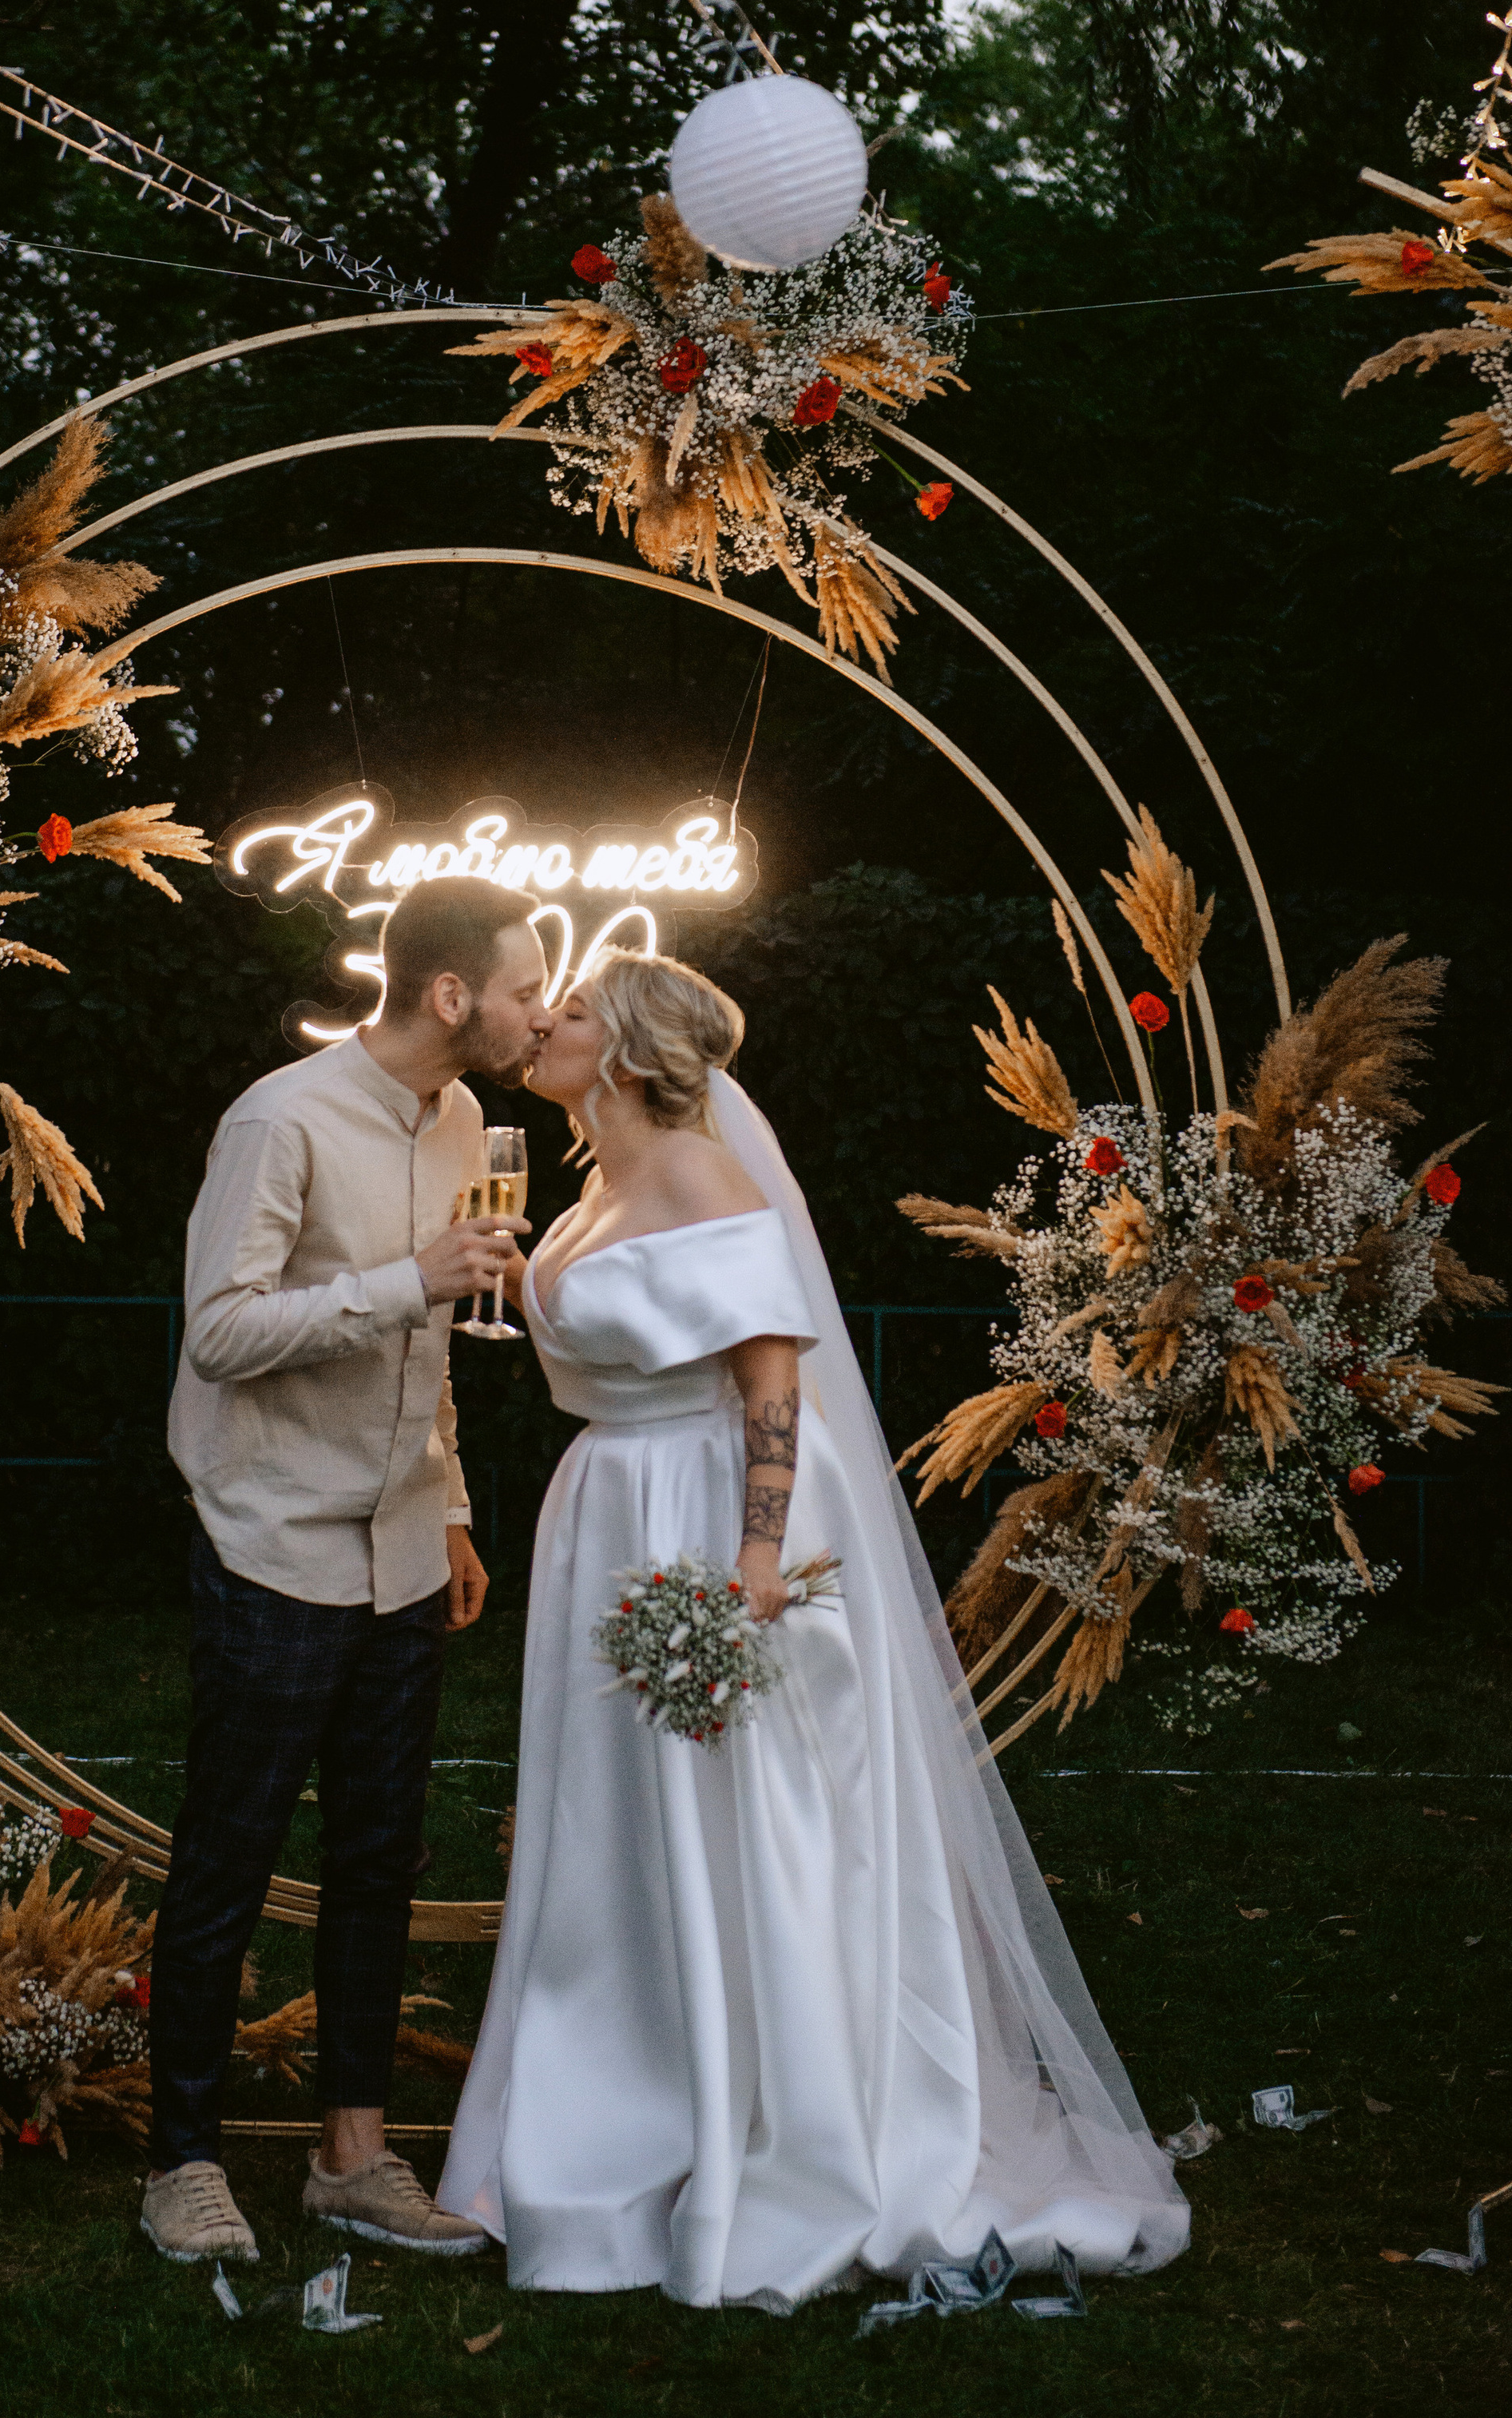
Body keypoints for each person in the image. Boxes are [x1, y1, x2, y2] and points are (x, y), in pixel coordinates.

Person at [437, 948, 1189, 2311]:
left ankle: (780, 2125)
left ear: (629, 1051)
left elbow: (771, 1370)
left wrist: (762, 1552)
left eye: (578, 1009)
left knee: (751, 1816)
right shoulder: (594, 1182)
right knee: (617, 1828)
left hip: (714, 1511)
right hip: (613, 1505)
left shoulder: (702, 1174)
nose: (545, 1017)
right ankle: (629, 2105)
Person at [140, 875, 551, 2265]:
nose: (537, 1010)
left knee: (379, 1860)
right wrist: (407, 1277)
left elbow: (426, 1354)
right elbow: (220, 1332)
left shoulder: (463, 1125)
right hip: (273, 1546)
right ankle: (182, 2164)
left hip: (399, 1556)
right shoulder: (281, 1119)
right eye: (521, 987)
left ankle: (352, 2160)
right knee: (230, 1859)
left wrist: (450, 1502)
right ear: (451, 996)